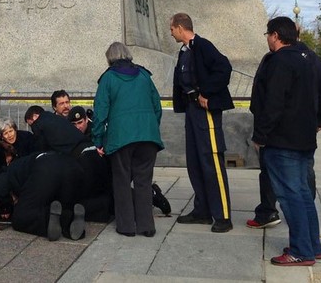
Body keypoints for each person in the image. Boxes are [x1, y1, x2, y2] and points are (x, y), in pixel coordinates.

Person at [251, 17, 321, 266]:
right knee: (303, 194)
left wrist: (260, 135)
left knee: (290, 196)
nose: (268, 40)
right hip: (303, 136)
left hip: (283, 140)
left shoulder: (280, 61)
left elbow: (274, 102)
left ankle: (301, 250)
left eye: (268, 35)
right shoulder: (307, 58)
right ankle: (313, 245)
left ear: (275, 35)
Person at [91, 42, 164, 237]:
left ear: (109, 58)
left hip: (121, 137)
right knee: (144, 181)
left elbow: (100, 112)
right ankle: (146, 226)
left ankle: (126, 226)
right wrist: (149, 127)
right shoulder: (144, 75)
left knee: (122, 181)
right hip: (148, 136)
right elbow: (157, 106)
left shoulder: (108, 78)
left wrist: (98, 140)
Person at [170, 13, 234, 233]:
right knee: (195, 161)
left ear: (180, 27)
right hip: (191, 110)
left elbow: (224, 68)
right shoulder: (184, 51)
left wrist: (206, 92)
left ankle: (223, 215)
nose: (170, 32)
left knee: (211, 161)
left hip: (204, 110)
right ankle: (203, 210)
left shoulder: (203, 46)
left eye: (172, 28)